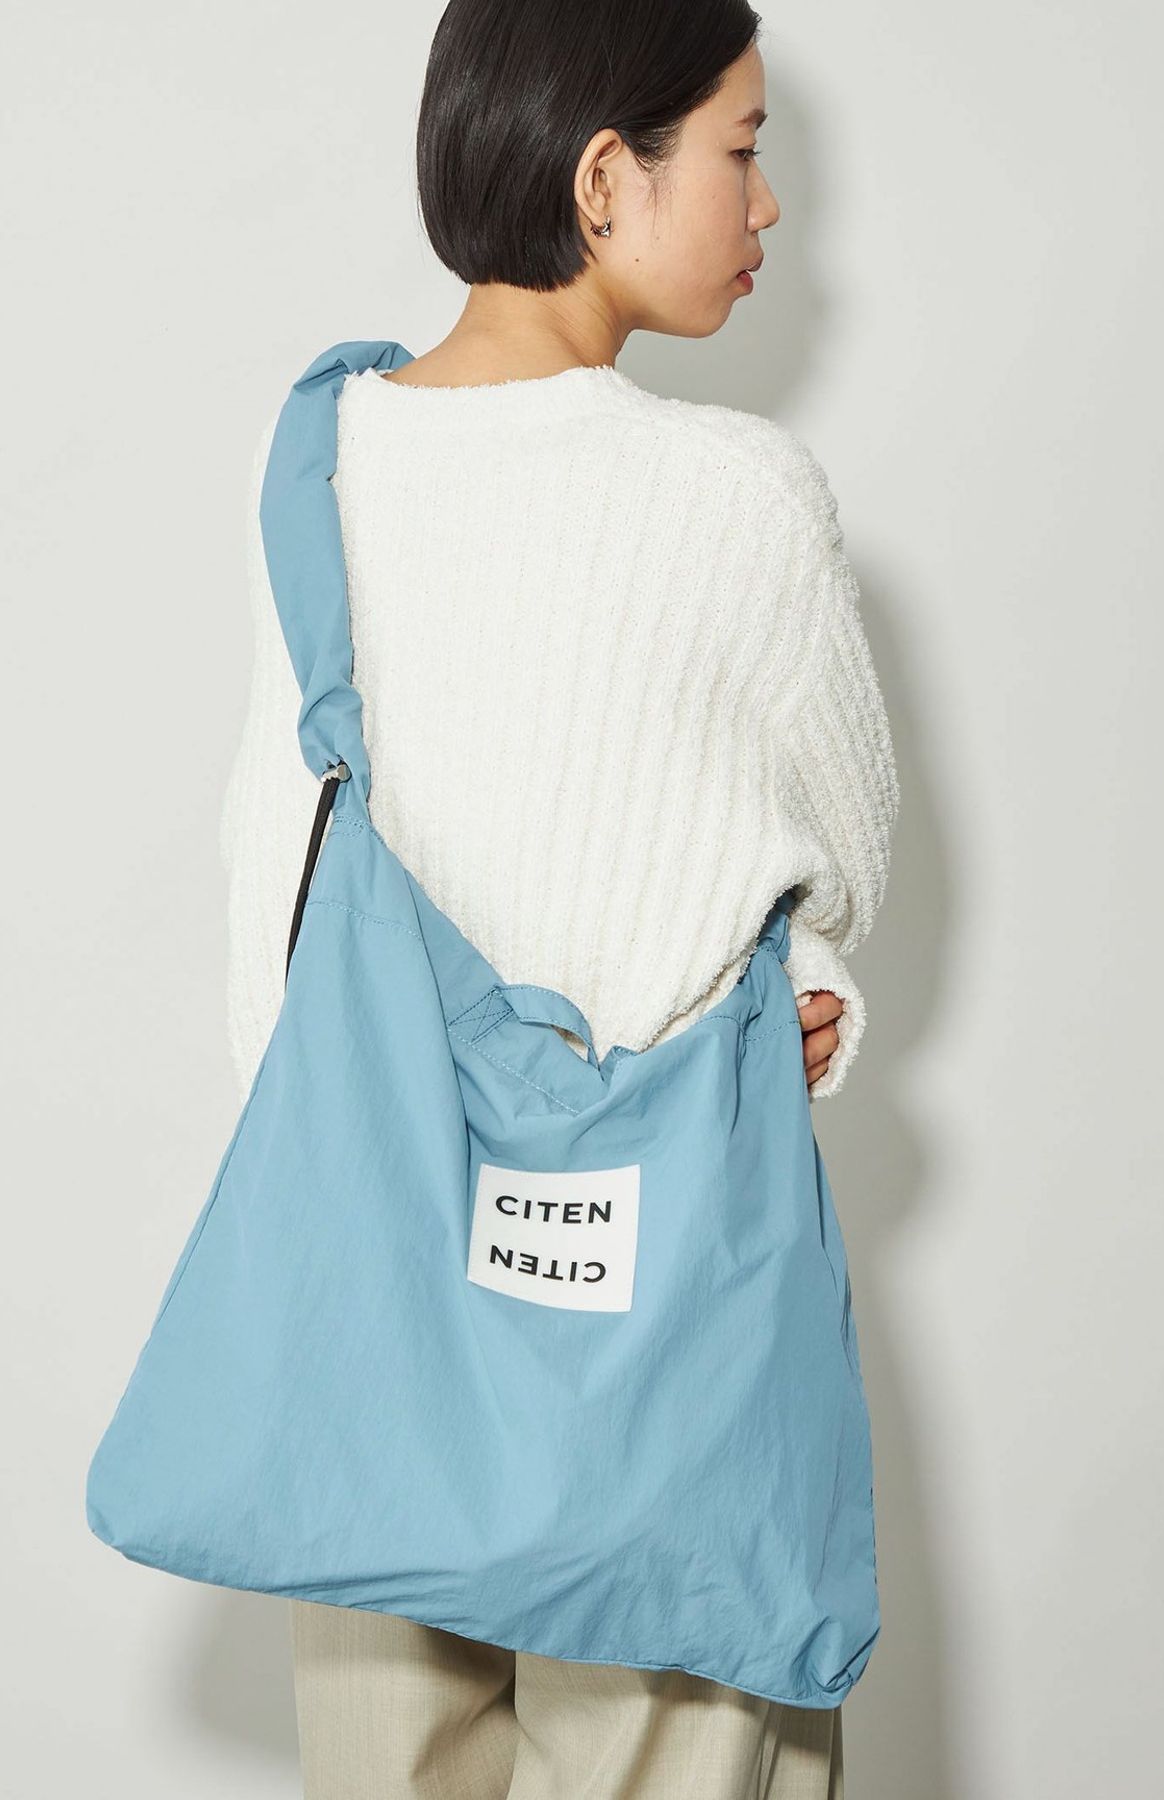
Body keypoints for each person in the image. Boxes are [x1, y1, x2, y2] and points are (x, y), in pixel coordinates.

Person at [219, 1, 899, 1793]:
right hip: (662, 1308)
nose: (770, 208)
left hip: (370, 1273)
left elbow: (272, 874)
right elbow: (843, 842)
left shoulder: (328, 458)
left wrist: (356, 1228)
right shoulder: (740, 498)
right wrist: (807, 970)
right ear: (607, 178)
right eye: (743, 149)